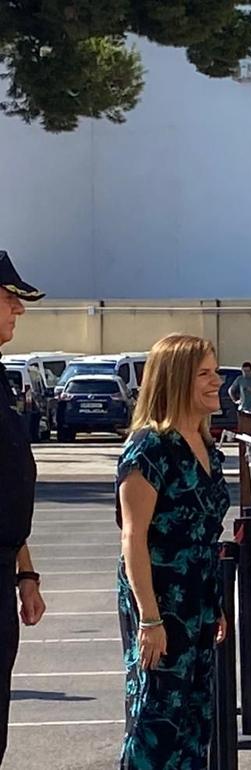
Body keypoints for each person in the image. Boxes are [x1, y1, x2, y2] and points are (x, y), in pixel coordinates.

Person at [115, 334, 229, 769]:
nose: (217, 381)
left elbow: (205, 532)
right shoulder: (150, 449)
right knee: (155, 721)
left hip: (198, 600)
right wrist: (149, 617)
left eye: (215, 371)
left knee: (195, 719)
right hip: (160, 603)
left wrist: (216, 603)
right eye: (204, 374)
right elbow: (133, 537)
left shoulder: (206, 446)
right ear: (177, 380)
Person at [0, 251, 47, 764]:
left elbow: (7, 487)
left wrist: (25, 573)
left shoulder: (1, 379)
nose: (19, 309)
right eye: (10, 298)